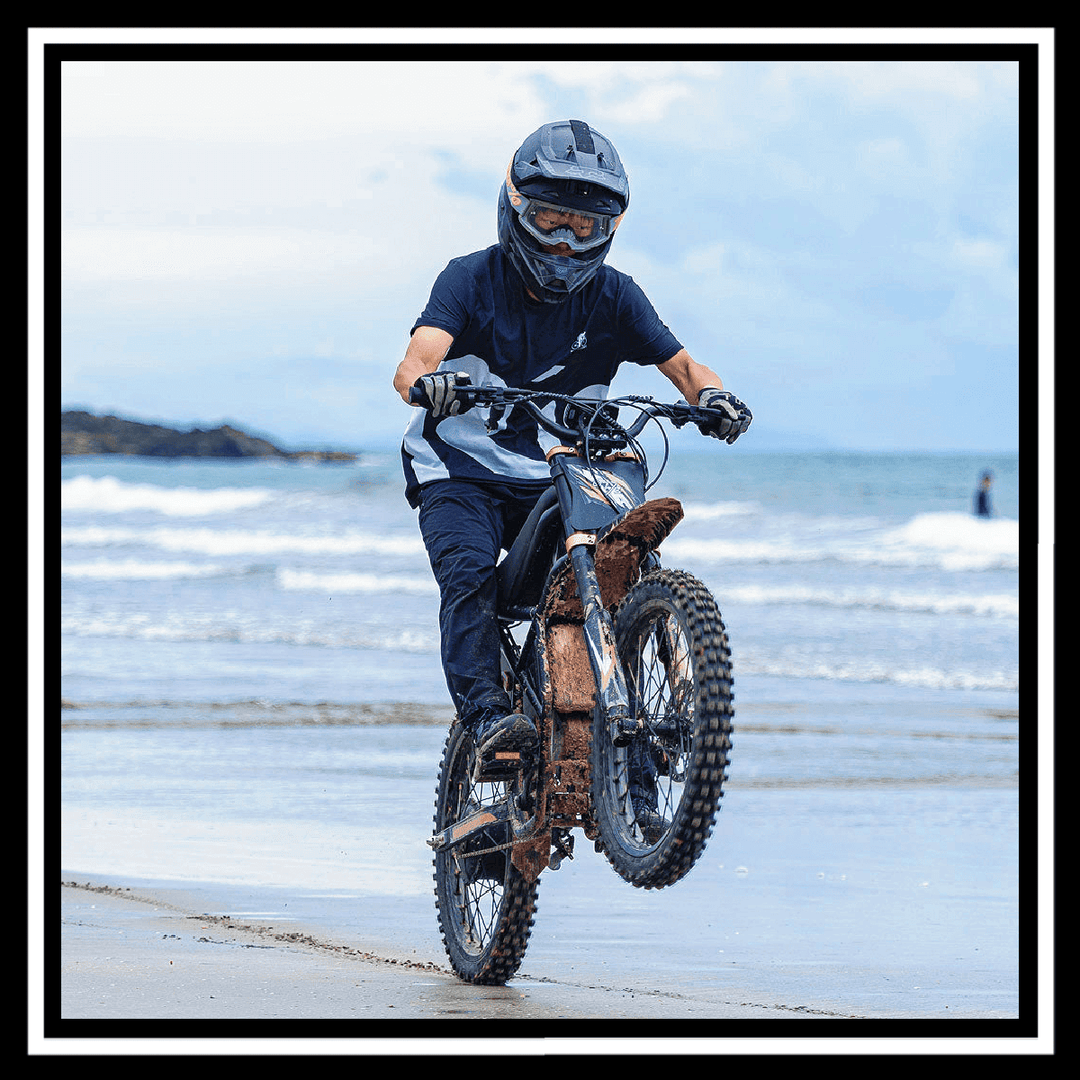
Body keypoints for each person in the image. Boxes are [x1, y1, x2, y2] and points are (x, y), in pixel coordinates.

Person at [393, 119, 752, 797]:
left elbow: (681, 365)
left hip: (556, 472)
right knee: (468, 578)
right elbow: (417, 358)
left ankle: (639, 748)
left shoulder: (616, 295)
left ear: (609, 229)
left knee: (616, 567)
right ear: (515, 208)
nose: (564, 241)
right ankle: (489, 718)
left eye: (584, 227)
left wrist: (714, 397)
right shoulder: (469, 279)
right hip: (459, 472)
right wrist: (426, 384)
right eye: (550, 219)